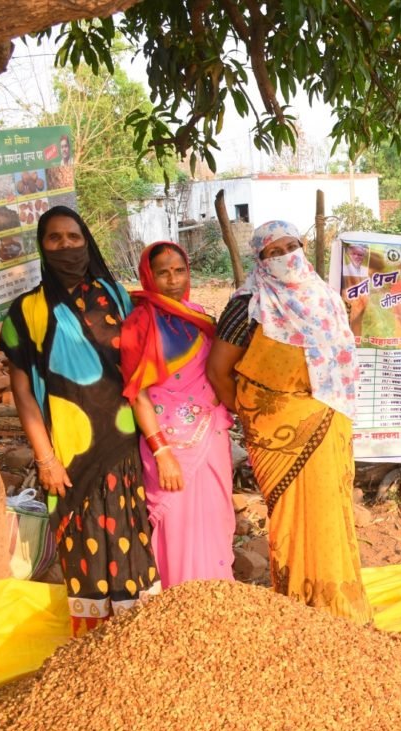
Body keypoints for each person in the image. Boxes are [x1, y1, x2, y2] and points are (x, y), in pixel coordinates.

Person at [0, 206, 159, 635]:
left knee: (133, 549)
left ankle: (135, 645)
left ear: (86, 241)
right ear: (42, 246)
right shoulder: (27, 312)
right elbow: (23, 394)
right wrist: (45, 458)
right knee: (84, 551)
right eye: (55, 239)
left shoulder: (116, 298)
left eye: (73, 237)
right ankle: (91, 653)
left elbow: (142, 371)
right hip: (70, 456)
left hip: (125, 447)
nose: (66, 246)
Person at [206, 220, 372, 623]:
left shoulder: (327, 300)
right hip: (277, 437)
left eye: (291, 246)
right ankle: (300, 608)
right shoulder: (248, 305)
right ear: (260, 261)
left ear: (303, 246)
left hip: (327, 424)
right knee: (294, 521)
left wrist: (359, 314)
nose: (284, 257)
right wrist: (254, 420)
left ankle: (337, 604)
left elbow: (340, 354)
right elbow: (218, 372)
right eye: (272, 252)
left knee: (331, 513)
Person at [120, 241, 236, 587]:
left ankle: (219, 598)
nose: (172, 279)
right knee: (179, 527)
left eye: (179, 270)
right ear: (148, 276)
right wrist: (162, 452)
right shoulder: (140, 323)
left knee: (216, 520)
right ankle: (181, 604)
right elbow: (137, 394)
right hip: (170, 447)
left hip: (211, 437)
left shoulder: (198, 316)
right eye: (163, 272)